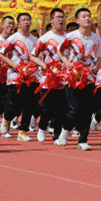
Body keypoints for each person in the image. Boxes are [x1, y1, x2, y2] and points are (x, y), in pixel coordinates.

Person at [58, 8, 101, 150]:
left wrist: (97, 66)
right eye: (84, 16)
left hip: (88, 77)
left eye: (89, 16)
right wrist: (67, 63)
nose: (88, 18)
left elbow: (100, 55)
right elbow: (60, 51)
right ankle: (66, 129)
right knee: (74, 109)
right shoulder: (71, 36)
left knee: (87, 110)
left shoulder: (96, 38)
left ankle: (83, 140)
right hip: (73, 77)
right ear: (78, 21)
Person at [0, 12, 40, 142]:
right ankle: (7, 119)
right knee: (14, 105)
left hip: (31, 77)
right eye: (24, 20)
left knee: (29, 104)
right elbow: (2, 55)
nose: (27, 22)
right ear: (19, 24)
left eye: (29, 20)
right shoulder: (13, 39)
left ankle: (23, 131)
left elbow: (39, 56)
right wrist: (15, 66)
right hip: (15, 76)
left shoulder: (35, 40)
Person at [30, 8, 68, 143]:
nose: (61, 20)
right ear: (51, 20)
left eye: (63, 17)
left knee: (61, 109)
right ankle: (41, 128)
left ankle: (57, 135)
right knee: (46, 109)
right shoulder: (45, 38)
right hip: (47, 79)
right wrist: (44, 65)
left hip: (64, 79)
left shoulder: (68, 37)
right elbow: (33, 56)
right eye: (58, 17)